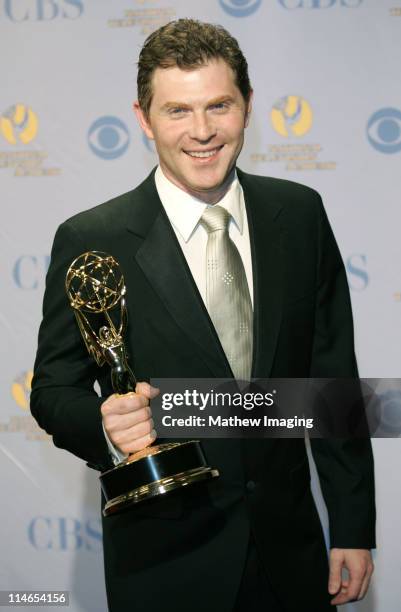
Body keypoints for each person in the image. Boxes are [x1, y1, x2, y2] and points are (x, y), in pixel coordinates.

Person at [31, 18, 375, 612]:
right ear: (142, 118)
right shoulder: (93, 239)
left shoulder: (299, 216)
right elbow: (53, 390)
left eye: (220, 105)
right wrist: (105, 425)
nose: (203, 132)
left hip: (291, 554)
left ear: (247, 106)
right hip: (165, 562)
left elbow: (330, 382)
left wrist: (350, 525)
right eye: (177, 111)